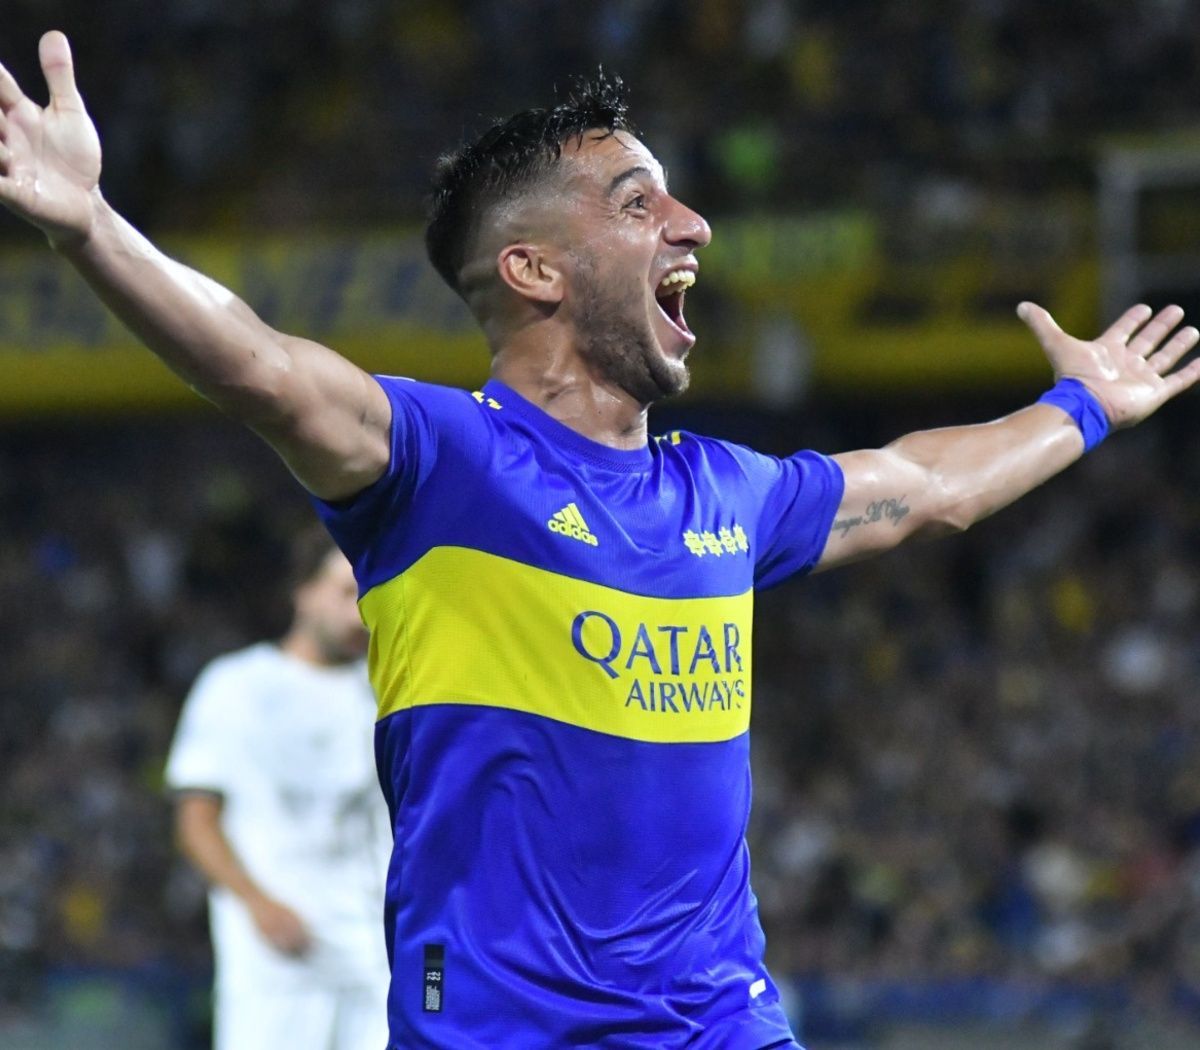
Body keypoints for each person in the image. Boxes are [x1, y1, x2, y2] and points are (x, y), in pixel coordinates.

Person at [1, 30, 1197, 1050]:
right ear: (533, 269)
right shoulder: (442, 464)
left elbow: (926, 487)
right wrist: (91, 229)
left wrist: (1080, 408)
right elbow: (258, 364)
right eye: (639, 202)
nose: (695, 222)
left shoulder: (728, 493)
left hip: (719, 1019)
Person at [164, 528, 391, 1050]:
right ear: (303, 591)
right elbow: (195, 821)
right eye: (343, 593)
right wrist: (258, 903)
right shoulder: (237, 685)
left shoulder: (386, 694)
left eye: (368, 596)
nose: (358, 613)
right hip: (278, 969)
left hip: (375, 960)